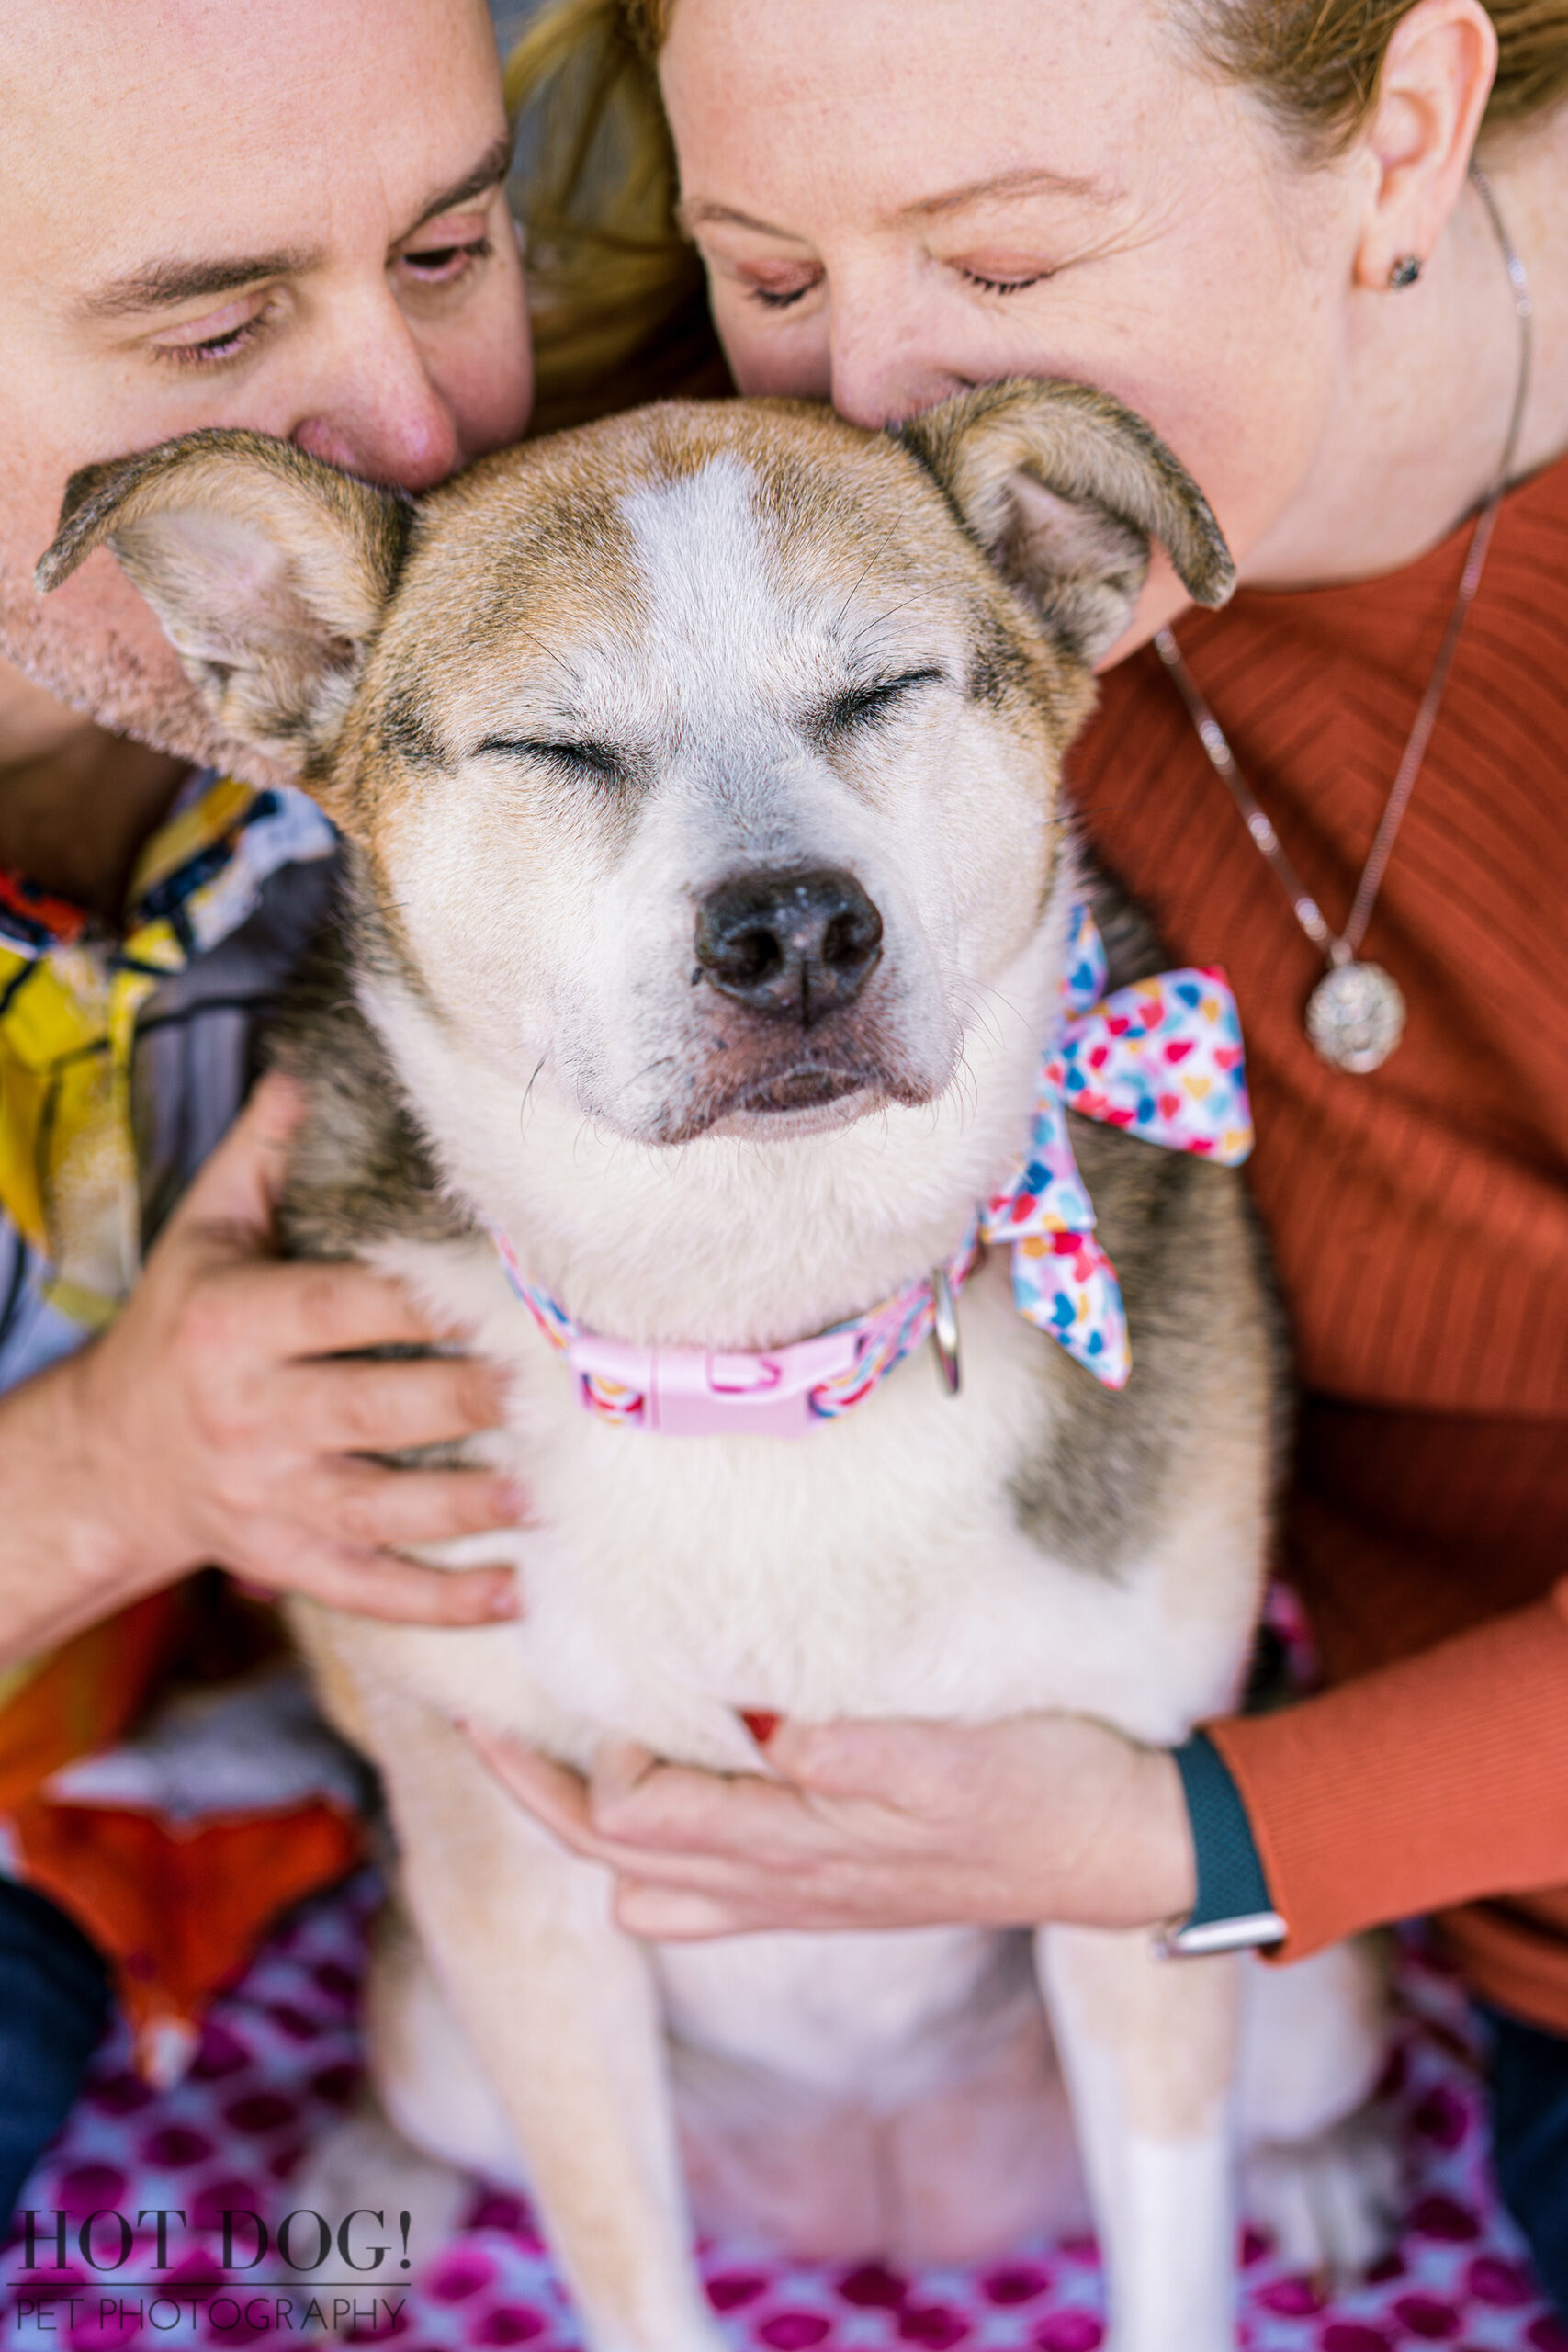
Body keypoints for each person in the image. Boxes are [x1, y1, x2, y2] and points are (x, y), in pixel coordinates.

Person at [476, 0, 1568, 2311]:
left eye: (999, 268)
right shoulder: (753, 558)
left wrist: (1199, 1830)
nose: (874, 400)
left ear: (1395, 135)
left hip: (1292, 1840)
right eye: (768, 274)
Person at [0, 0, 543, 2218]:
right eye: (216, 324)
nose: (410, 428)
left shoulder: (556, 594)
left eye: (448, 249)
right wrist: (118, 1468)